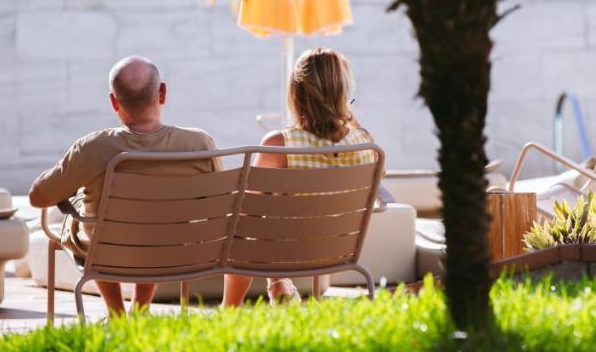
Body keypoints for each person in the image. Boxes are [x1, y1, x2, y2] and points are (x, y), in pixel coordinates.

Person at [29, 55, 217, 317]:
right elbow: (220, 201)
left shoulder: (92, 148)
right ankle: (139, 311)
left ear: (114, 102)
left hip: (106, 252)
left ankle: (116, 314)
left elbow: (38, 198)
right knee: (154, 221)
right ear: (162, 93)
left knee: (90, 211)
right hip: (172, 249)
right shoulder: (199, 145)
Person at [221, 47, 379, 307]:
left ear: (296, 94)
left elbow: (246, 213)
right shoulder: (366, 146)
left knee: (242, 230)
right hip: (341, 250)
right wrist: (347, 115)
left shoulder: (278, 145)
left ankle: (232, 309)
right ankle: (279, 284)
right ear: (343, 92)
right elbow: (379, 175)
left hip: (286, 253)